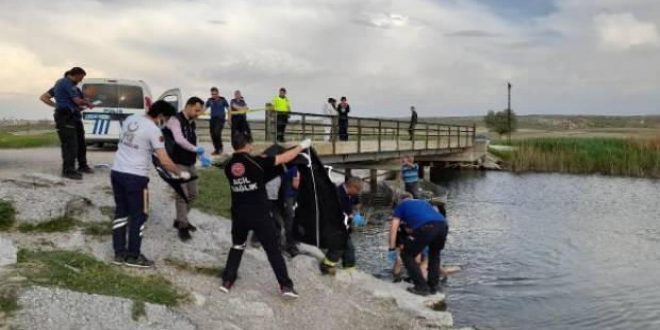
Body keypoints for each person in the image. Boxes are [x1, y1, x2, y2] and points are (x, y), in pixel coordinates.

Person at [220, 132, 312, 299]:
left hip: (239, 214)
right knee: (273, 250)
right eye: (251, 144)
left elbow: (253, 174)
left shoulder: (228, 166)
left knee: (237, 247)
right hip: (259, 214)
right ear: (248, 144)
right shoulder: (256, 162)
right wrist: (302, 146)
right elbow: (284, 158)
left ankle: (227, 281)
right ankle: (286, 286)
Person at [111, 100, 190, 268]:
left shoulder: (131, 119)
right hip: (136, 177)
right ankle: (133, 255)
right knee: (139, 216)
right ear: (161, 115)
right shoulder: (154, 130)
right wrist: (180, 173)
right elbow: (164, 160)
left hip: (117, 172)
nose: (166, 123)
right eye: (166, 119)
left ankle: (119, 253)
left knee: (121, 212)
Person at [388, 193, 448, 296]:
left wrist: (392, 248)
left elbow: (393, 228)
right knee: (434, 255)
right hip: (443, 225)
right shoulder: (423, 203)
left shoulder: (401, 206)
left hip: (427, 227)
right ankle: (433, 287)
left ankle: (421, 287)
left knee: (406, 254)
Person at [163, 97, 206, 241]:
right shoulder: (175, 120)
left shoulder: (191, 123)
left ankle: (181, 219)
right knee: (182, 195)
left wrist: (200, 156)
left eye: (200, 111)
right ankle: (182, 226)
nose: (198, 114)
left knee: (193, 193)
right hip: (178, 163)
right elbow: (180, 140)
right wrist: (196, 149)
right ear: (188, 106)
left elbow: (194, 142)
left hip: (190, 163)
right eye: (197, 110)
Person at [42, 67, 95, 180]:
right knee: (70, 145)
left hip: (74, 116)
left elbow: (78, 101)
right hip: (65, 117)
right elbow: (44, 98)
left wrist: (85, 102)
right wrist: (58, 106)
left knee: (80, 142)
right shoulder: (65, 83)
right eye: (80, 78)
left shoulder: (73, 87)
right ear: (74, 75)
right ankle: (68, 170)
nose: (81, 81)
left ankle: (82, 165)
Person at [320, 177, 363, 275]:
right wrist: (350, 216)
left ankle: (349, 269)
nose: (358, 193)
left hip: (344, 224)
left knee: (349, 248)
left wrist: (356, 213)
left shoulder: (352, 195)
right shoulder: (337, 194)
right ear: (352, 187)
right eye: (358, 190)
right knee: (339, 247)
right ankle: (326, 266)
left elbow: (357, 204)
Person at [281, 165, 300, 256]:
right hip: (289, 197)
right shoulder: (296, 169)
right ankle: (290, 245)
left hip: (290, 197)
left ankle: (291, 241)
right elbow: (295, 184)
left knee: (291, 219)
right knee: (290, 220)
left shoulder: (293, 168)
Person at [205, 87, 229, 155]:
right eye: (212, 94)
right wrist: (197, 114)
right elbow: (204, 108)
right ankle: (216, 149)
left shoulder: (223, 99)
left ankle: (220, 148)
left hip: (221, 119)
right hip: (213, 119)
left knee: (217, 133)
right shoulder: (209, 100)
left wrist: (229, 119)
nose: (214, 96)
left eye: (215, 94)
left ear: (218, 93)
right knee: (212, 134)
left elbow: (229, 109)